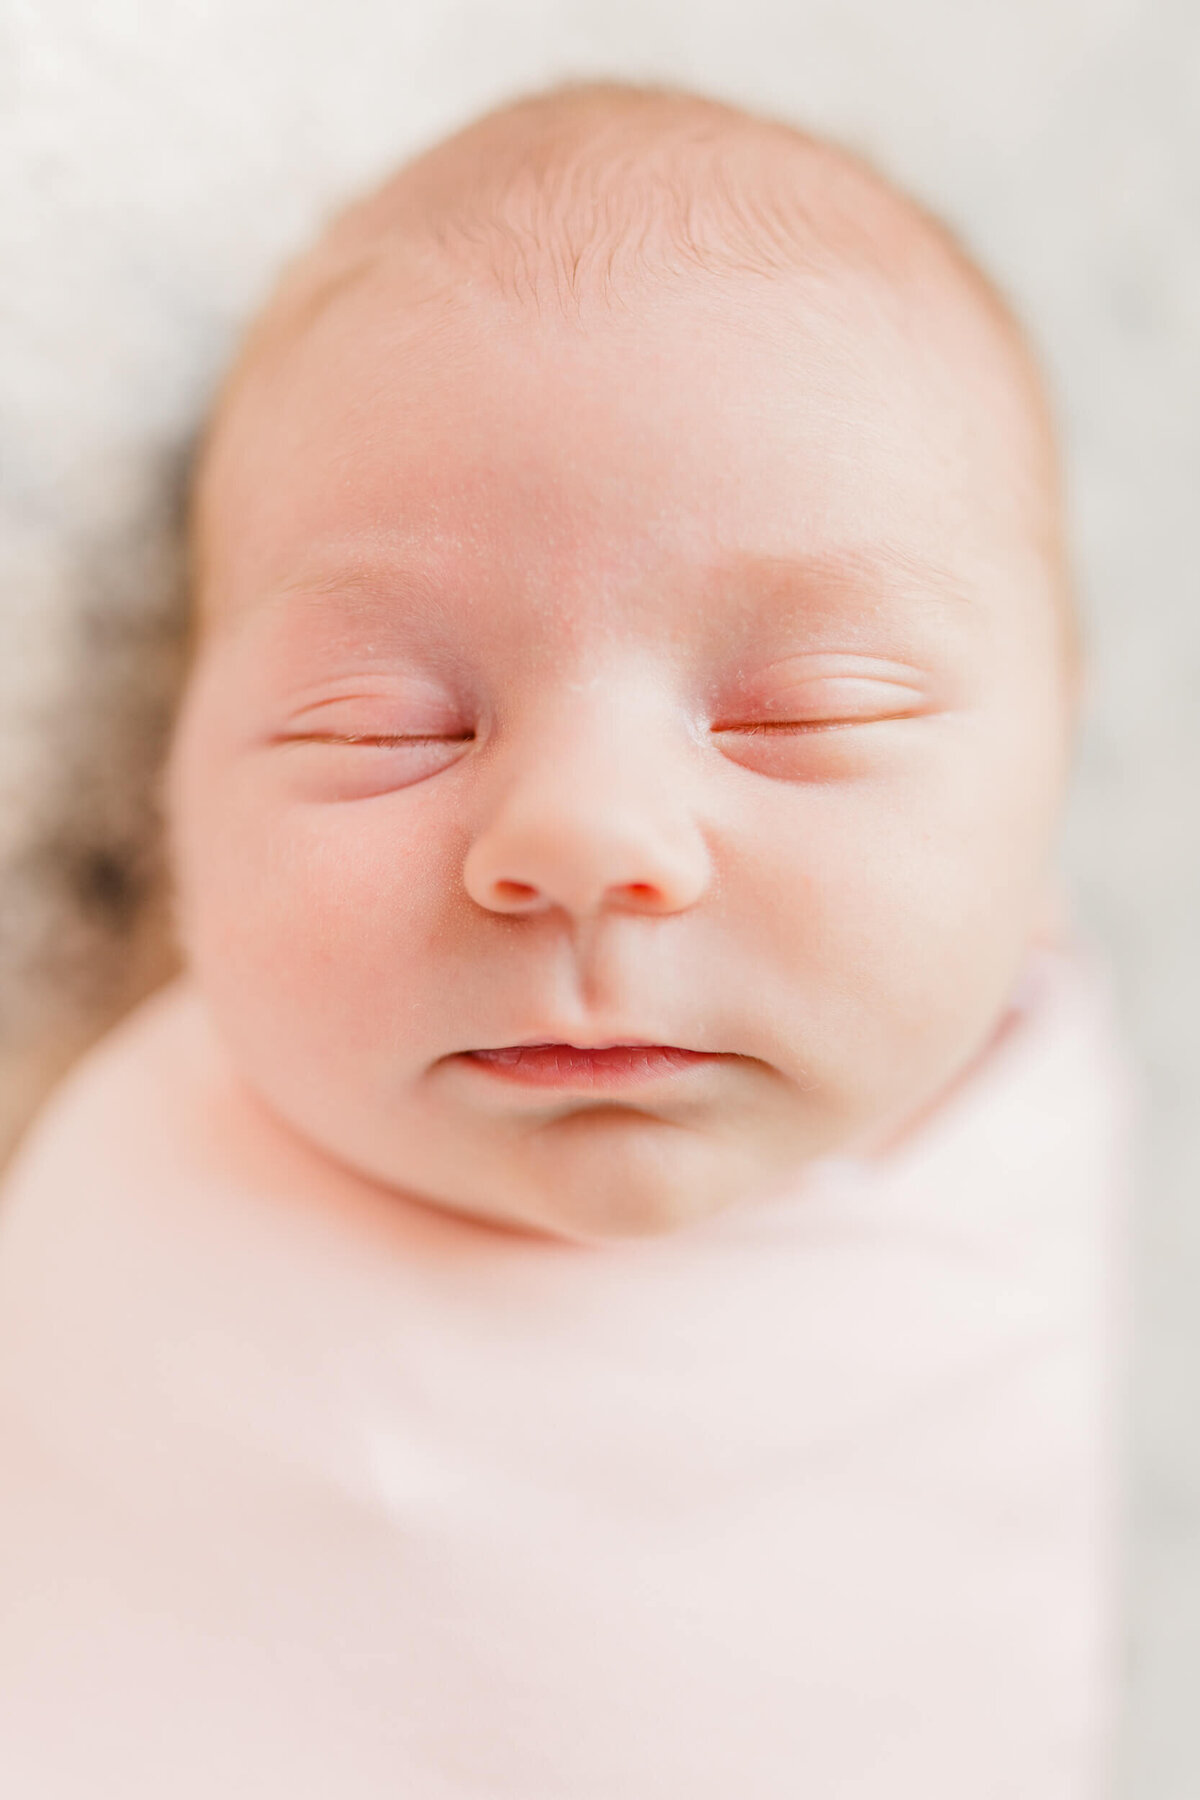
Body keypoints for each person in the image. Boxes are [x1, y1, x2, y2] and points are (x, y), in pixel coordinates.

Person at [0, 81, 1131, 1796]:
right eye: (383, 728)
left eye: (803, 713)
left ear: (1053, 766)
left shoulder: (1032, 1157)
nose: (582, 842)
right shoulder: (137, 1211)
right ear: (172, 782)